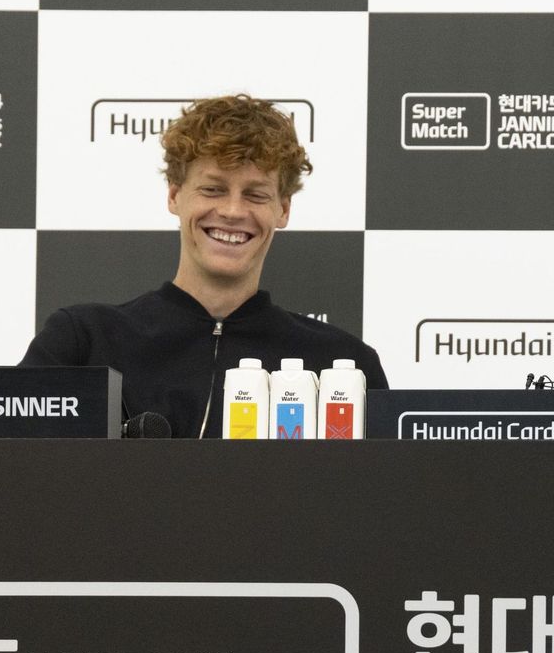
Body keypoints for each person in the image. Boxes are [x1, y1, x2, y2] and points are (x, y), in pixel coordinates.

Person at [21, 94, 387, 437]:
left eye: (255, 194)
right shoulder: (82, 342)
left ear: (284, 209)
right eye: (213, 189)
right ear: (174, 195)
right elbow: (10, 467)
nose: (232, 211)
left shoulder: (347, 364)